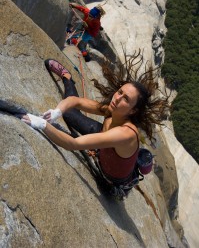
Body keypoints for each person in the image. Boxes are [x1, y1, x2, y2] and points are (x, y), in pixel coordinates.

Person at [21, 52, 169, 199]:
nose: (117, 99)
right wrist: (57, 111)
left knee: (72, 116)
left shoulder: (126, 134)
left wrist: (42, 124)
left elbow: (73, 144)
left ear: (134, 110)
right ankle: (67, 78)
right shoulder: (112, 110)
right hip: (104, 144)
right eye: (120, 92)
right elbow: (76, 102)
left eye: (126, 99)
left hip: (111, 178)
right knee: (69, 113)